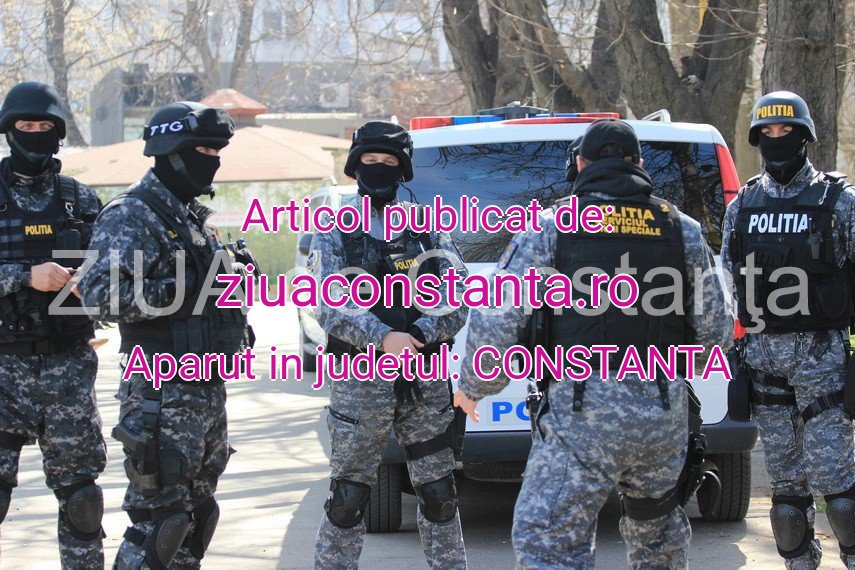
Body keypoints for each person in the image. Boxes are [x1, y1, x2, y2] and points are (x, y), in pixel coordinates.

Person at [454, 118, 732, 568]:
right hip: (664, 416)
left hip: (583, 416)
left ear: (580, 165)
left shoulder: (551, 227)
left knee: (548, 543)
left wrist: (474, 388)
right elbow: (715, 333)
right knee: (658, 541)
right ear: (639, 163)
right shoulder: (682, 229)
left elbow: (497, 323)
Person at [77, 101, 253, 569]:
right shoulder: (133, 214)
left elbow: (209, 296)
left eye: (216, 151)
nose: (212, 160)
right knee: (160, 523)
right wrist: (192, 283)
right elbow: (99, 295)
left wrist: (233, 283)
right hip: (160, 392)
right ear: (170, 152)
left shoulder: (191, 218)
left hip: (205, 389)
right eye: (202, 150)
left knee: (196, 518)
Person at [311, 120, 468, 569]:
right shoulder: (334, 227)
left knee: (439, 492)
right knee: (349, 496)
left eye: (388, 161)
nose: (378, 168)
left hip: (425, 378)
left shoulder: (427, 226)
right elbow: (327, 301)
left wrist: (419, 334)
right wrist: (383, 338)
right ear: (355, 165)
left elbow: (458, 293)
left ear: (402, 169)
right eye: (370, 160)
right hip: (360, 381)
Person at [721, 91, 855, 569]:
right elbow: (727, 287)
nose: (776, 139)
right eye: (768, 132)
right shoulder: (743, 206)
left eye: (786, 131)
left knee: (841, 495)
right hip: (764, 366)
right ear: (757, 138)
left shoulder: (838, 202)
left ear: (804, 136)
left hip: (825, 362)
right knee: (786, 498)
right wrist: (731, 355)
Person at [0, 81, 107, 568]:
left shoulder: (80, 200)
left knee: (82, 501)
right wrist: (26, 276)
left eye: (45, 126)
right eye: (26, 125)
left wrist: (94, 282)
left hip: (68, 369)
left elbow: (117, 269)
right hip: (3, 370)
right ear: (9, 131)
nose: (35, 134)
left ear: (59, 133)